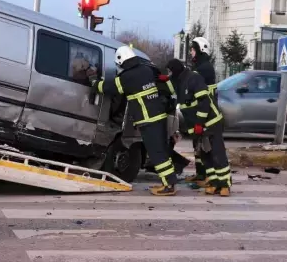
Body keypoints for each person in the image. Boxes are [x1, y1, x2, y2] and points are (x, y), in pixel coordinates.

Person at [87, 46, 178, 196]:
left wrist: (94, 82)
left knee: (156, 153)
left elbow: (109, 88)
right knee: (161, 151)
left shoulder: (127, 77)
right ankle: (169, 182)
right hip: (159, 117)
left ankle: (169, 186)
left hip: (148, 120)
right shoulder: (146, 70)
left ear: (121, 61)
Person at [163, 58, 232, 196]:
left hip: (211, 122)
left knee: (217, 153)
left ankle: (225, 184)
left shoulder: (194, 78)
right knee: (205, 155)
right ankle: (213, 182)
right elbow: (170, 89)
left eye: (170, 72)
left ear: (175, 70)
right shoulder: (179, 81)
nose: (169, 74)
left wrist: (200, 123)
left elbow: (204, 102)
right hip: (197, 126)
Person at [160, 36, 216, 187]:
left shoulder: (203, 69)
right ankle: (200, 174)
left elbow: (195, 91)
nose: (191, 52)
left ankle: (209, 177)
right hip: (195, 114)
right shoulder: (200, 67)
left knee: (205, 146)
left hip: (202, 114)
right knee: (197, 145)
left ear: (200, 50)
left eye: (192, 49)